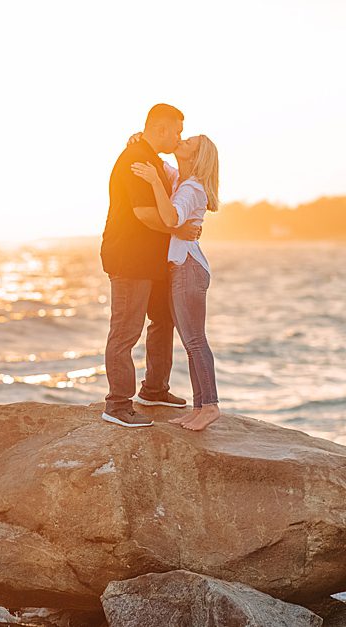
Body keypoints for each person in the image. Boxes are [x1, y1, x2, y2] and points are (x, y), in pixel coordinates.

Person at [99, 104, 202, 428]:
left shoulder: (153, 159)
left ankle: (155, 389)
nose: (179, 138)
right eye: (176, 131)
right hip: (129, 258)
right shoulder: (136, 160)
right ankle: (117, 405)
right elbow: (144, 213)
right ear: (160, 130)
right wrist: (178, 229)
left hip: (152, 260)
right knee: (126, 330)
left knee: (163, 319)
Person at [130, 133, 221, 430]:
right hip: (180, 268)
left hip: (189, 269)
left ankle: (209, 406)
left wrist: (155, 183)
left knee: (196, 341)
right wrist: (138, 141)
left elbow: (170, 219)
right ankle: (200, 407)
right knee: (190, 342)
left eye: (188, 143)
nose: (180, 142)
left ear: (194, 157)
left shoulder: (192, 188)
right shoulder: (180, 179)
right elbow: (160, 164)